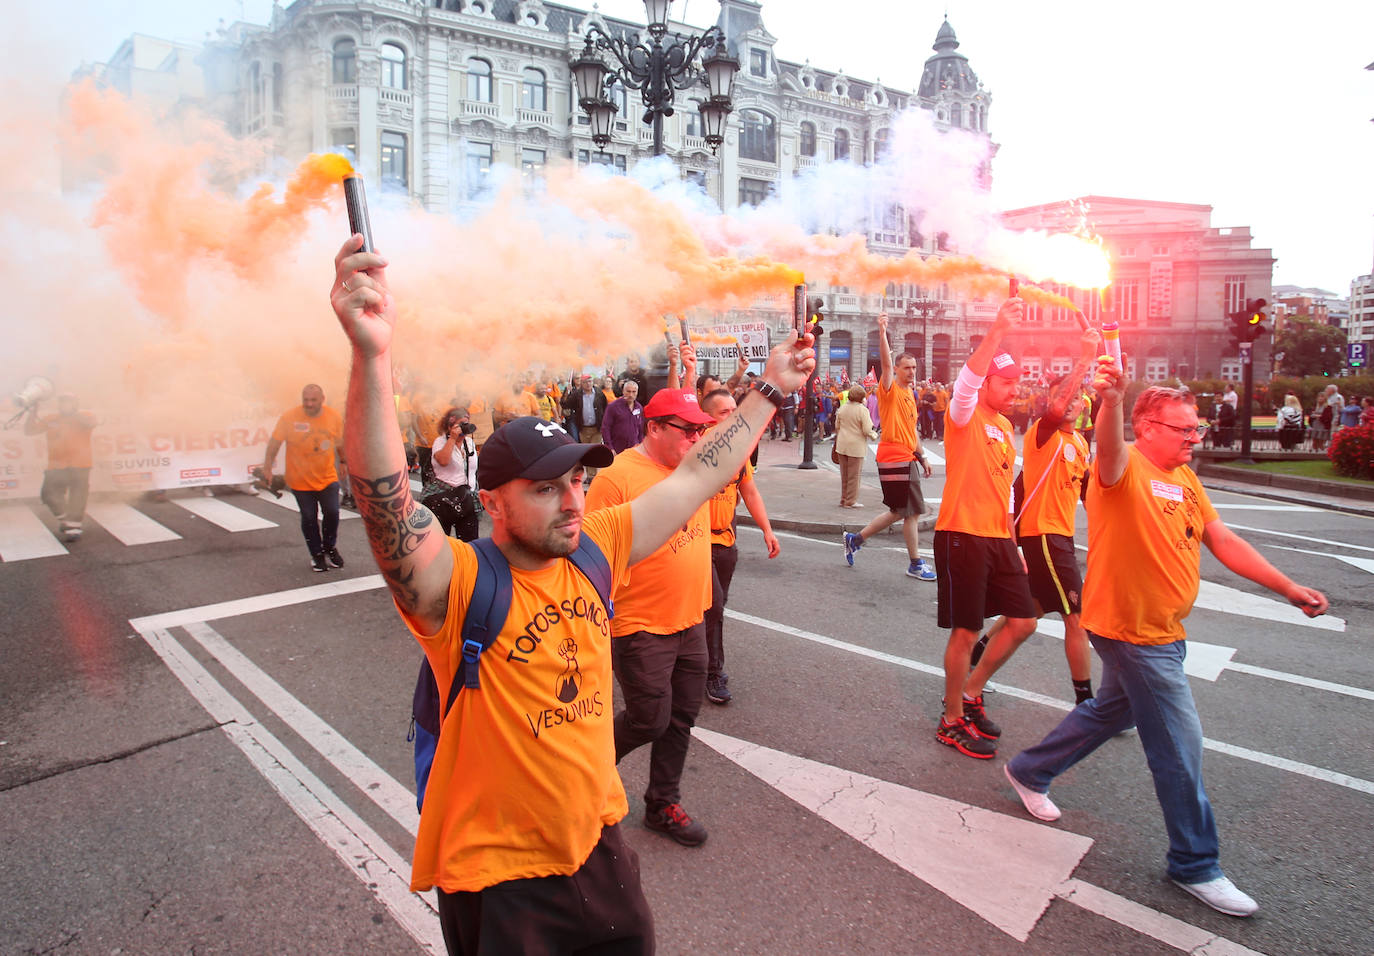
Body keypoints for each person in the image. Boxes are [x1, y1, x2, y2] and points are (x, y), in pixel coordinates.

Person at [330, 234, 814, 953]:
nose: (572, 502)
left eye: (579, 481)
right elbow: (386, 506)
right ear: (491, 503)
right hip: (502, 885)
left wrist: (768, 390)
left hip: (602, 849)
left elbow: (698, 477)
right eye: (547, 488)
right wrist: (371, 357)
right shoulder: (460, 583)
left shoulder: (597, 545)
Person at [1004, 373, 1328, 919]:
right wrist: (1111, 400)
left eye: (1196, 427)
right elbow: (1106, 450)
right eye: (1184, 428)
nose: (1195, 437)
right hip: (1131, 631)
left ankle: (1031, 769)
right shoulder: (1122, 468)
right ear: (1146, 427)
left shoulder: (1185, 478)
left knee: (1111, 710)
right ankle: (1195, 863)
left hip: (1164, 629)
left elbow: (1222, 539)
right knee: (1180, 746)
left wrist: (1288, 588)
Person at [584, 387, 719, 847]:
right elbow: (589, 558)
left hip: (690, 618)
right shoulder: (616, 477)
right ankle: (579, 777)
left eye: (701, 428)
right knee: (648, 719)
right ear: (655, 427)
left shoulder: (694, 464)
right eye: (688, 429)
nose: (697, 437)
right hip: (639, 625)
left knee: (681, 718)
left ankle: (662, 804)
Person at [932, 298, 1038, 759]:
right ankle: (950, 718)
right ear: (988, 381)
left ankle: (972, 693)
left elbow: (1006, 492)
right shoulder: (965, 415)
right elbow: (967, 381)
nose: (1015, 390)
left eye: (1018, 382)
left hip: (998, 539)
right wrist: (997, 330)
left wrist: (1014, 544)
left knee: (1024, 621)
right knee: (966, 631)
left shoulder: (1004, 426)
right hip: (961, 533)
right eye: (1007, 382)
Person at [978, 327, 1100, 704]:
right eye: (1073, 396)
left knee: (1029, 609)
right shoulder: (1041, 435)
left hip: (1060, 536)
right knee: (1076, 616)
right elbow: (1057, 409)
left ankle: (977, 652)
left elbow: (1089, 496)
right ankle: (1086, 701)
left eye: (1082, 398)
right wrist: (1085, 358)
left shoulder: (1080, 444)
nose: (1077, 403)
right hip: (1043, 536)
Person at [699, 387, 780, 705]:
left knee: (712, 612)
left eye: (736, 410)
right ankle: (712, 672)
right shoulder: (693, 448)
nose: (734, 417)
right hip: (696, 544)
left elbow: (750, 491)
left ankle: (695, 662)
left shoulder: (738, 450)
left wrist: (767, 530)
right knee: (713, 608)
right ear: (707, 417)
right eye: (725, 412)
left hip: (726, 543)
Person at [842, 312, 937, 581]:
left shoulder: (910, 394)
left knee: (900, 511)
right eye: (906, 367)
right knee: (913, 513)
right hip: (895, 457)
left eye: (914, 368)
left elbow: (912, 430)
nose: (911, 372)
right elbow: (884, 363)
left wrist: (923, 456)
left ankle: (855, 539)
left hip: (906, 457)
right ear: (897, 369)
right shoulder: (890, 389)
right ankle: (915, 563)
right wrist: (882, 332)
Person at [263, 384, 346, 572]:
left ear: (322, 399)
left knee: (332, 513)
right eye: (305, 400)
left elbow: (341, 441)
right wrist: (268, 466)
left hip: (327, 477)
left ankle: (330, 548)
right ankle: (317, 554)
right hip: (300, 480)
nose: (308, 404)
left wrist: (344, 461)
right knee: (309, 517)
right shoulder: (289, 417)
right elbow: (275, 443)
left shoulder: (333, 416)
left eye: (313, 400)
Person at [24, 393, 97, 541]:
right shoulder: (51, 418)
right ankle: (66, 519)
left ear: (75, 404)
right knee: (48, 494)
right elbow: (30, 431)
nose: (65, 405)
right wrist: (32, 412)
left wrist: (72, 415)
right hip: (56, 464)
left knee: (78, 495)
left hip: (80, 463)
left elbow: (90, 424)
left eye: (69, 403)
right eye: (62, 403)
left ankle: (74, 527)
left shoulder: (85, 416)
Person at [423, 407, 479, 541]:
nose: (465, 427)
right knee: (440, 542)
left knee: (469, 542)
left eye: (467, 423)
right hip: (444, 499)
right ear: (449, 425)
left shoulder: (469, 442)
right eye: (461, 424)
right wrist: (452, 438)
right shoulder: (440, 442)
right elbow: (443, 461)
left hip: (467, 499)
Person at [835, 384, 877, 508]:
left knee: (844, 475)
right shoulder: (862, 410)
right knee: (854, 475)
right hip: (856, 446)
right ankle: (850, 501)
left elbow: (837, 426)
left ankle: (843, 499)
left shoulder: (842, 408)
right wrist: (873, 435)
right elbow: (866, 429)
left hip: (842, 444)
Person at [600, 380, 645, 454]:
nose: (631, 394)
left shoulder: (639, 407)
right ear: (623, 391)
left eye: (634, 392)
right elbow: (606, 428)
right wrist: (610, 447)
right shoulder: (613, 407)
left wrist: (640, 445)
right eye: (628, 391)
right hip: (617, 448)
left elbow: (640, 429)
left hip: (634, 449)